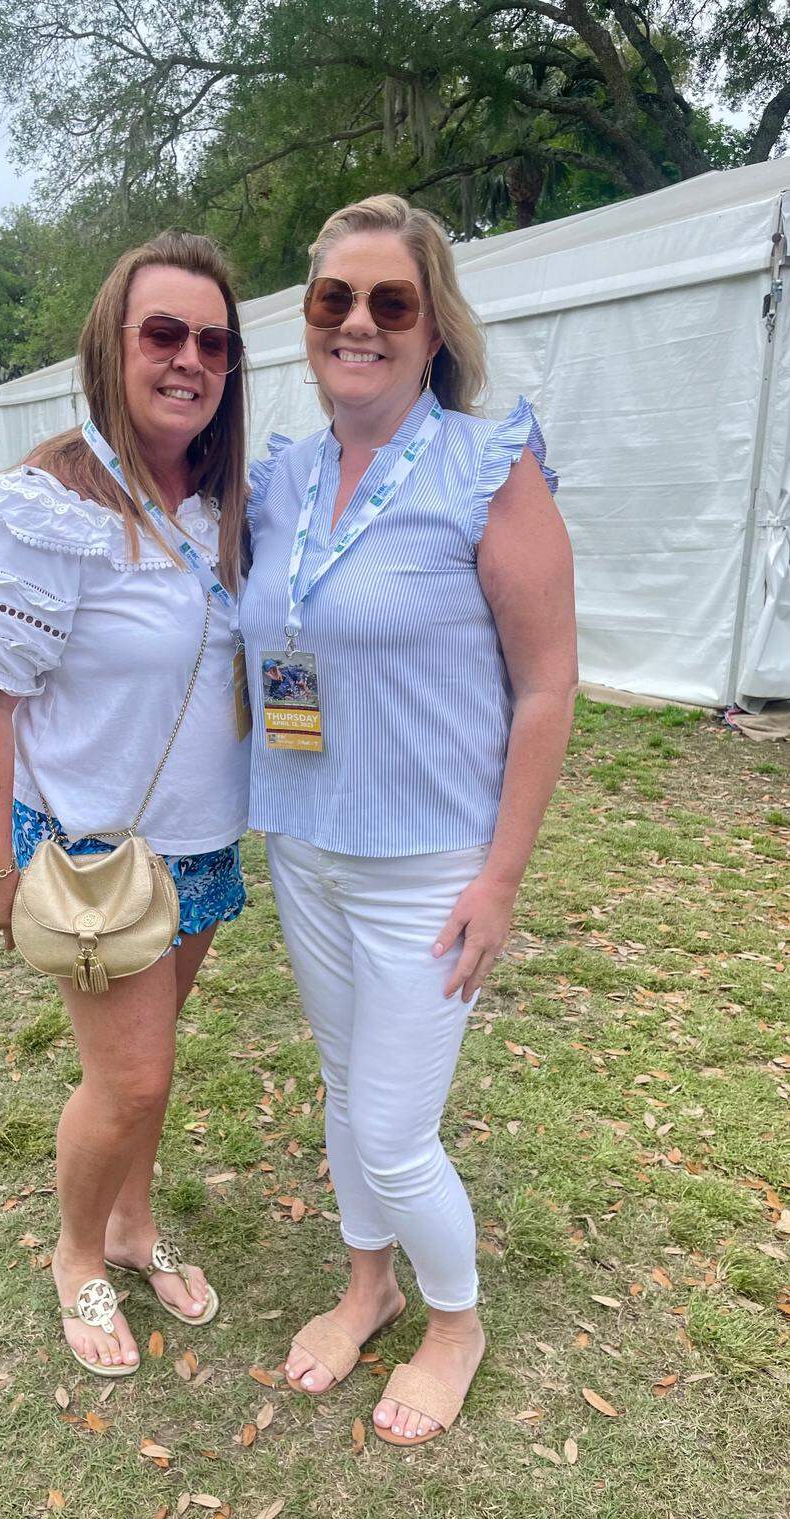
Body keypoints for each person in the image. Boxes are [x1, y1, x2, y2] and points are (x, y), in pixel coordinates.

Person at [239, 195, 577, 1445]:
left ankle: (456, 1320)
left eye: (392, 301)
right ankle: (368, 1285)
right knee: (345, 1090)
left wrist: (502, 879)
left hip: (431, 865)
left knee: (392, 1132)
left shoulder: (488, 465)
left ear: (434, 327)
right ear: (308, 318)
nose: (360, 323)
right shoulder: (279, 478)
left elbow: (547, 685)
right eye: (335, 299)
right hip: (305, 845)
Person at [0, 231, 250, 1378]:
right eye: (163, 333)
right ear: (111, 347)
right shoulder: (51, 506)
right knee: (133, 1077)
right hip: (91, 854)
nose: (189, 359)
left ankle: (131, 1222)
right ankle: (77, 1253)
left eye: (213, 341)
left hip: (201, 845)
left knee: (151, 1064)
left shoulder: (223, 503)